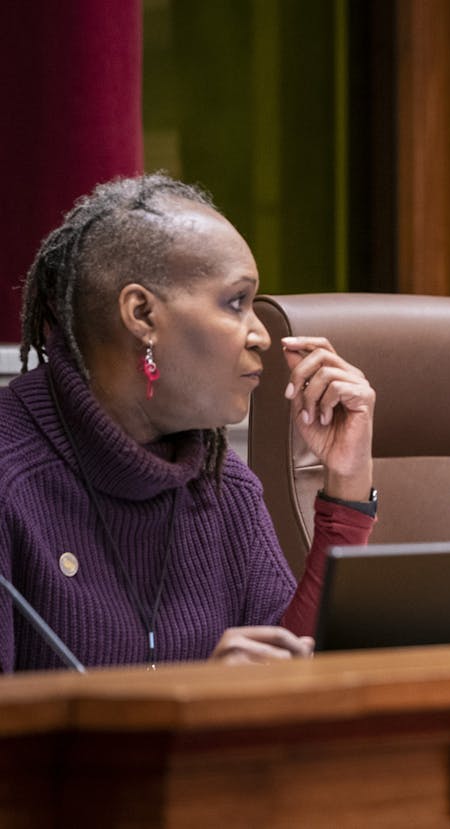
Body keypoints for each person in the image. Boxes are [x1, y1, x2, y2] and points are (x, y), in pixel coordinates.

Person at [0, 173, 376, 672]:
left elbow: (294, 677)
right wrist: (188, 703)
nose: (260, 335)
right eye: (236, 302)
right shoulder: (12, 478)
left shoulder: (221, 484)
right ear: (141, 313)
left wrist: (347, 487)